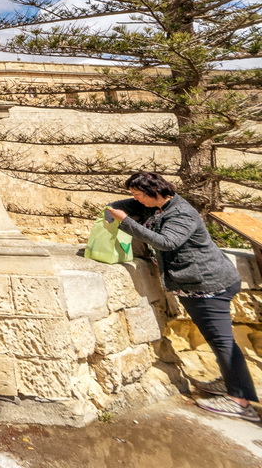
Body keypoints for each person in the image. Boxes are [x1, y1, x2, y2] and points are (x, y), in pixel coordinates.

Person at [106, 171, 259, 421]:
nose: (134, 199)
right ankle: (231, 382)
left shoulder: (181, 213)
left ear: (153, 193)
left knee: (222, 342)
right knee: (218, 340)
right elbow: (125, 205)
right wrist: (112, 207)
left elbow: (167, 242)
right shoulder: (157, 205)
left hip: (209, 286)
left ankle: (241, 402)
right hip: (197, 285)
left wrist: (125, 222)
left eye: (137, 194)